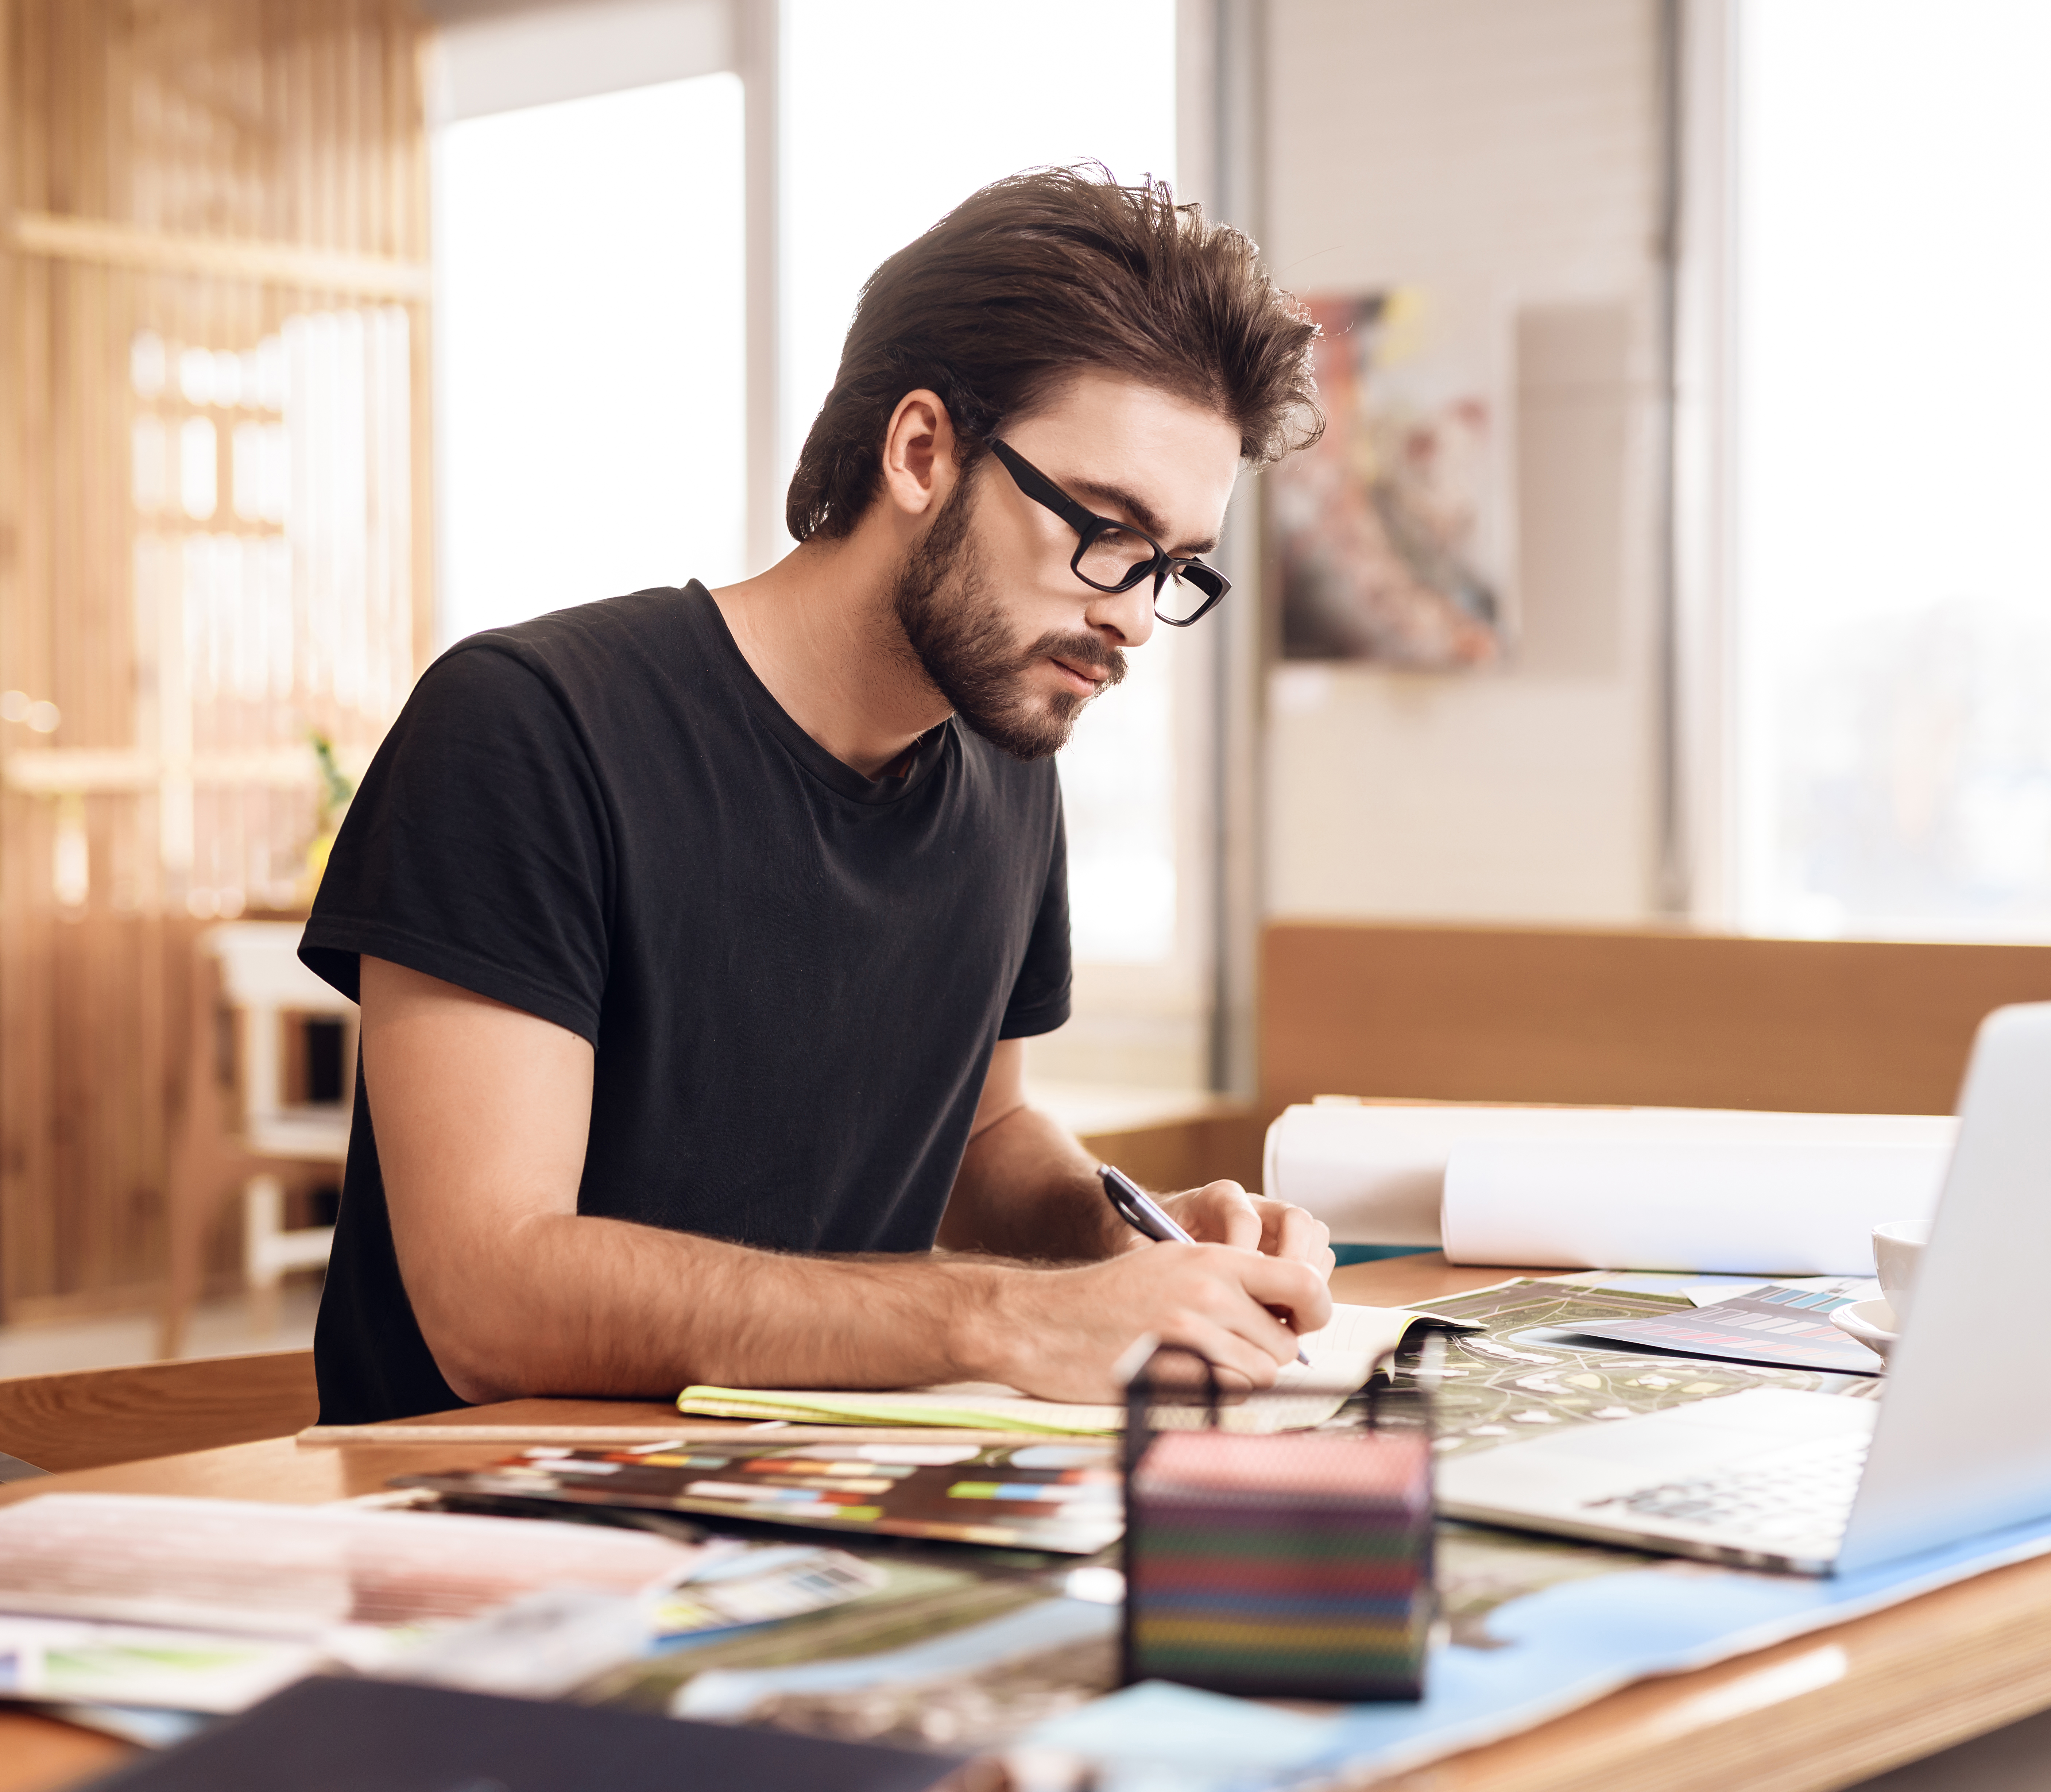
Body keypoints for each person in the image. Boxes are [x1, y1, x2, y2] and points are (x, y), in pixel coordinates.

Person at [300, 168, 1332, 1423]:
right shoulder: (529, 728)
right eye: (1106, 531)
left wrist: (1129, 1244)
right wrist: (999, 1316)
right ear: (921, 452)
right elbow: (488, 1298)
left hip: (829, 1508)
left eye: (1172, 567)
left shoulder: (1007, 764)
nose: (1132, 613)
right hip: (486, 1530)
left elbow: (980, 1135)